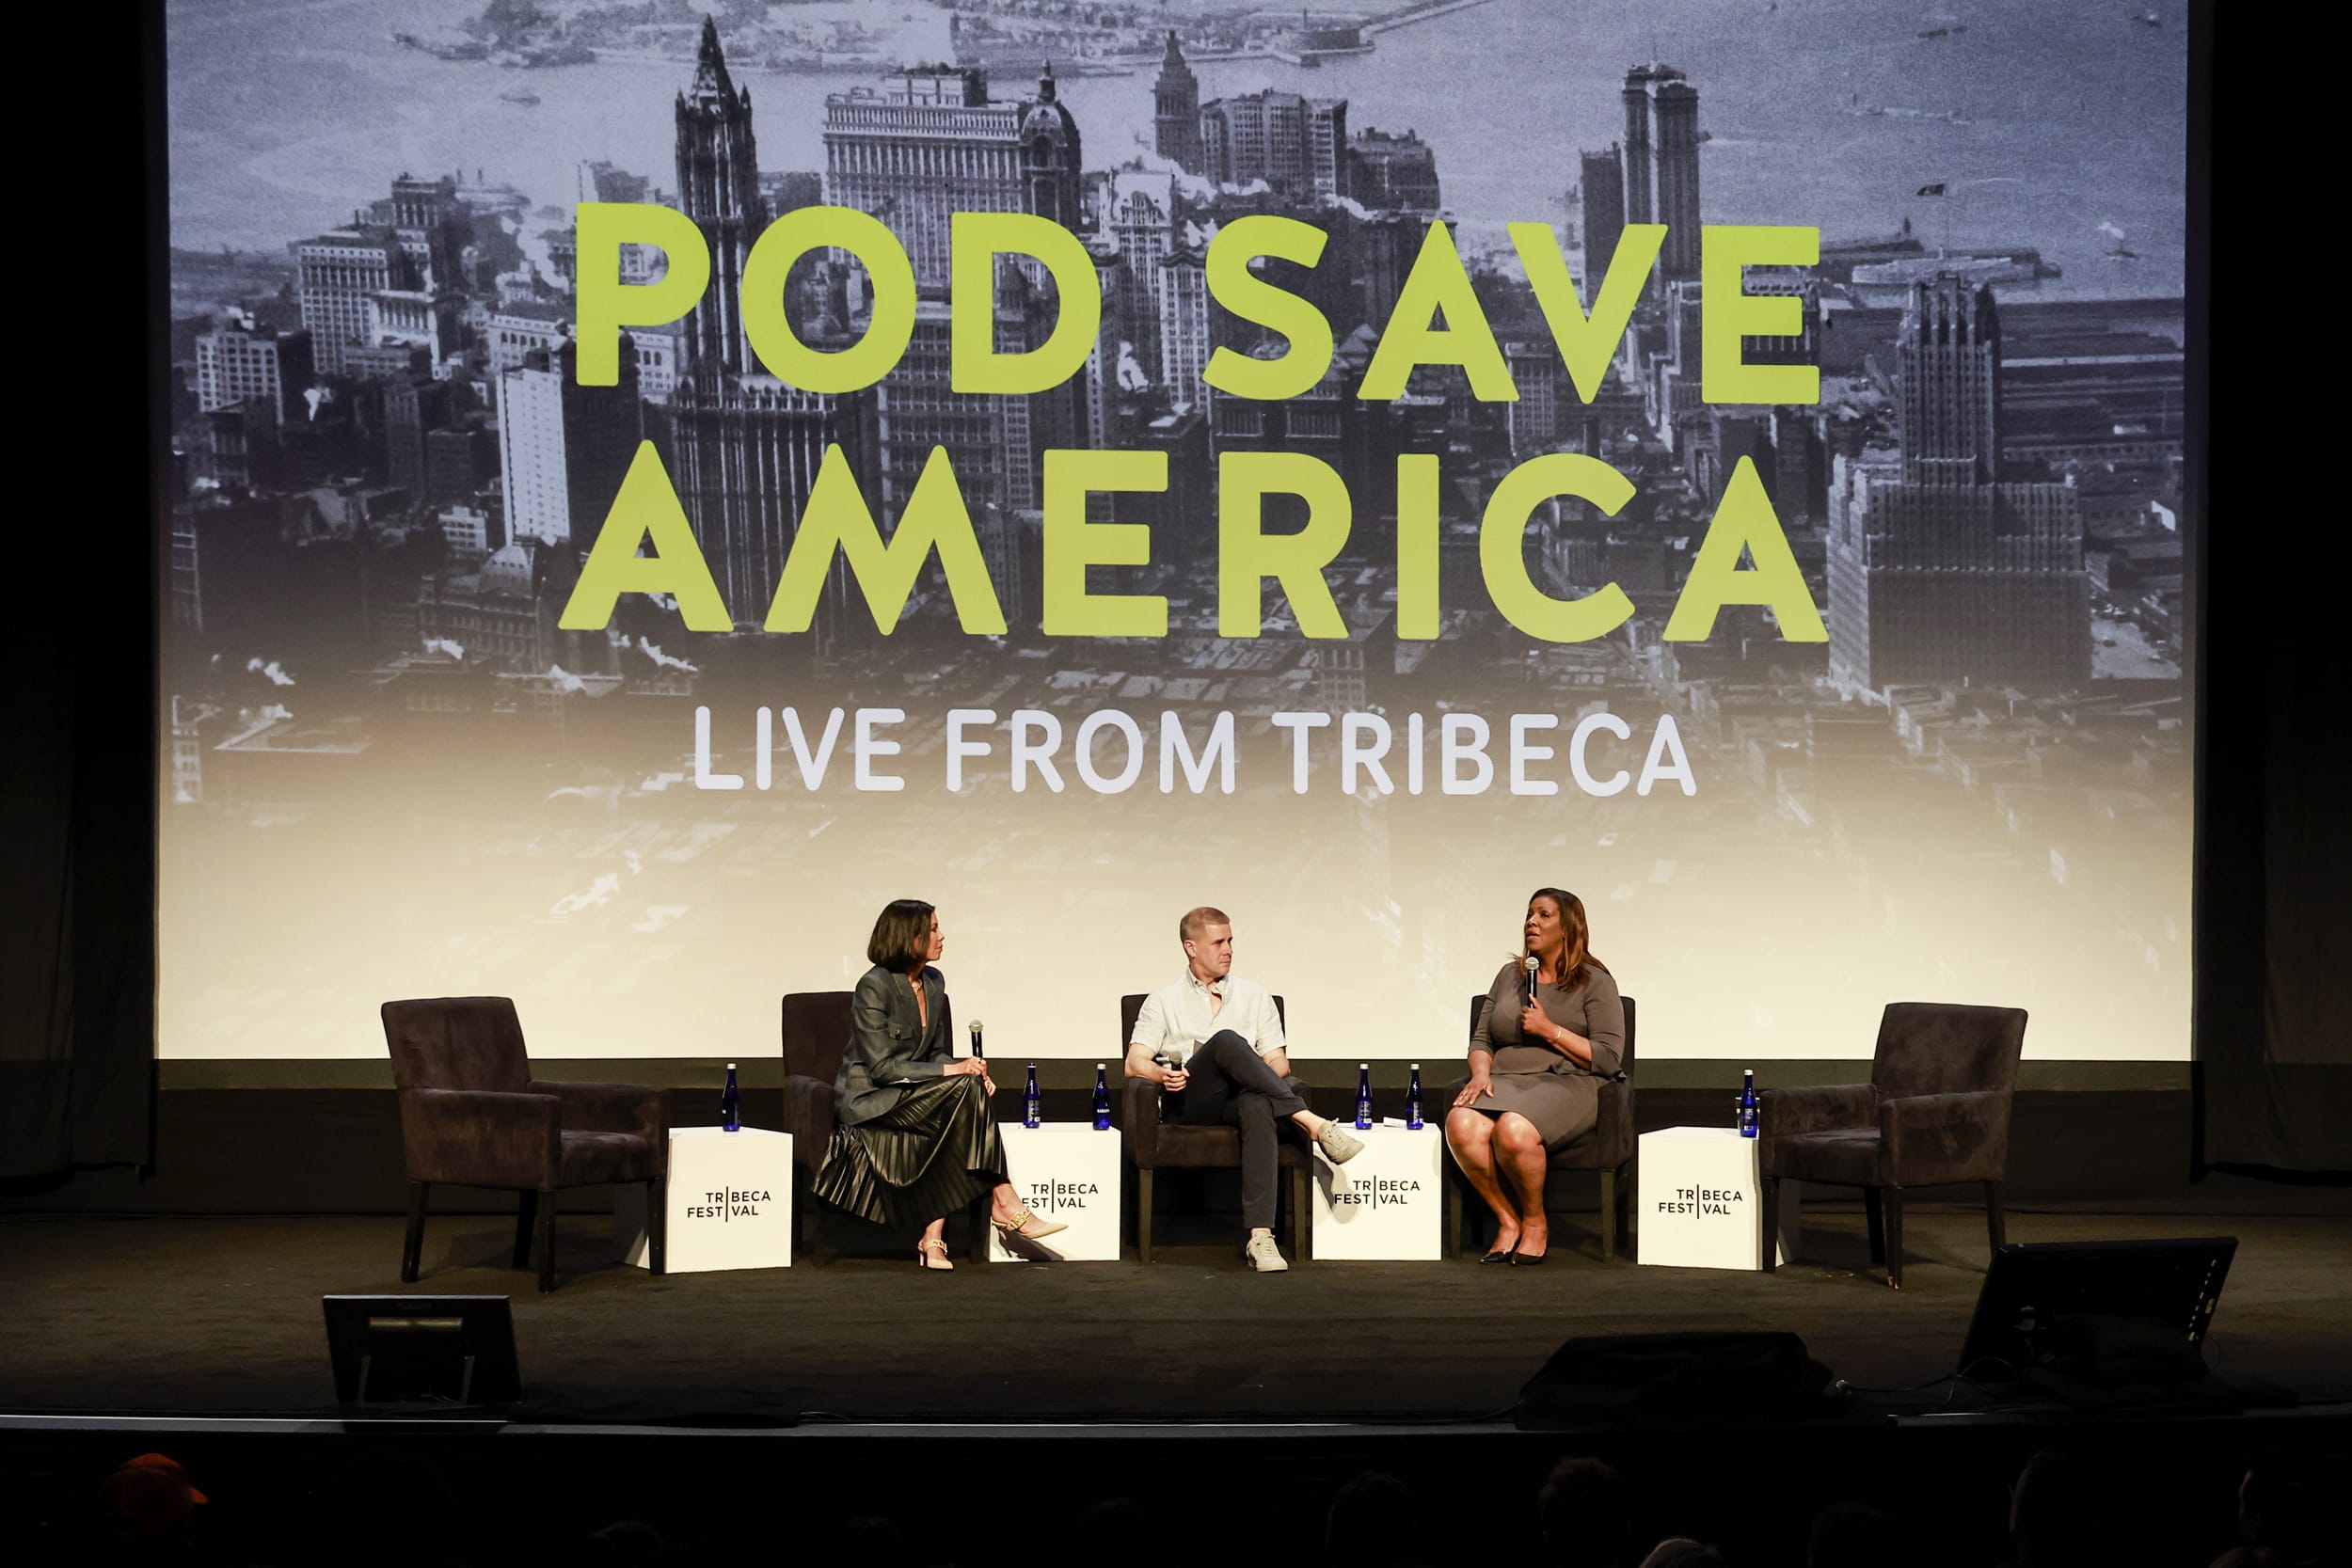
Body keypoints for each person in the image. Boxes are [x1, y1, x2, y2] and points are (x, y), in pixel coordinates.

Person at [813, 898, 1065, 1269]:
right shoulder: (874, 986)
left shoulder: (933, 982)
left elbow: (933, 1054)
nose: (941, 936)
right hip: (872, 1100)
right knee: (962, 1091)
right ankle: (1003, 1201)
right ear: (908, 937)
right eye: (933, 929)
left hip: (914, 1096)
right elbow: (882, 1067)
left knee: (968, 1089)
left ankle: (934, 1238)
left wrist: (968, 1067)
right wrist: (953, 1072)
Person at [1124, 905, 1364, 1273]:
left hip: (1240, 1099)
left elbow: (1278, 1063)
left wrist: (1252, 1074)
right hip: (1189, 1100)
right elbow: (1134, 1062)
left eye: (1231, 941)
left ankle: (1260, 1237)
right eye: (1219, 942)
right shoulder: (1163, 999)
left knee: (1256, 1103)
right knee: (1225, 1042)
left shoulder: (1256, 995)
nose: (1229, 949)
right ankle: (1313, 1123)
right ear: (1191, 947)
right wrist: (1161, 1076)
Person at [1445, 887, 1625, 1265]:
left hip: (1570, 1082)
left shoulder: (1595, 982)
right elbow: (1481, 1040)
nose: (1532, 922)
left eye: (1544, 915)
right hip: (1507, 1077)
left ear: (1567, 928)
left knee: (1513, 1128)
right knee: (1460, 1123)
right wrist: (1479, 1074)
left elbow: (1608, 1058)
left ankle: (1535, 1222)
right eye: (1530, 914)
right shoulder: (1510, 976)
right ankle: (1507, 1220)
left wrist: (1549, 1030)